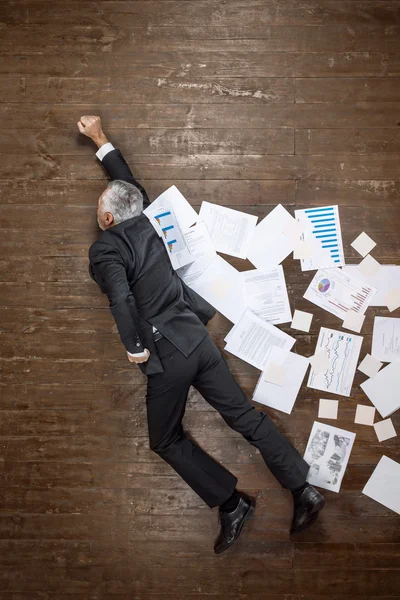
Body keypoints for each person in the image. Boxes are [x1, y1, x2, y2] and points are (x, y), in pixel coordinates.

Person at [78, 115, 325, 554]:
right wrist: (100, 140)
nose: (97, 208)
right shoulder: (146, 221)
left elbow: (121, 300)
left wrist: (135, 349)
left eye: (99, 205)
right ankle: (302, 488)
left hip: (166, 355)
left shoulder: (106, 247)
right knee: (245, 417)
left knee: (166, 439)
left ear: (109, 216)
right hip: (195, 336)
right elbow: (127, 184)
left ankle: (232, 505)